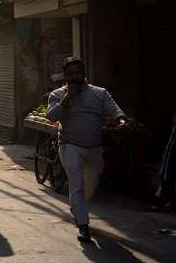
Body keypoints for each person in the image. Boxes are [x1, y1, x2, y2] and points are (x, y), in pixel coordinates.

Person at [46, 56, 129, 243]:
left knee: (89, 188)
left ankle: (77, 207)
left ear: (84, 74)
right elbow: (51, 116)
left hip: (93, 148)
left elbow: (115, 110)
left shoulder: (100, 93)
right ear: (65, 77)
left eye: (78, 73)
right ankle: (83, 226)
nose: (75, 77)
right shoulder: (58, 95)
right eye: (71, 74)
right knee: (76, 183)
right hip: (69, 145)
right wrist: (67, 98)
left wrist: (121, 121)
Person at [157, 110, 176, 211]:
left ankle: (165, 203)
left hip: (171, 161)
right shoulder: (173, 131)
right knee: (166, 181)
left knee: (168, 181)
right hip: (168, 160)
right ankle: (167, 203)